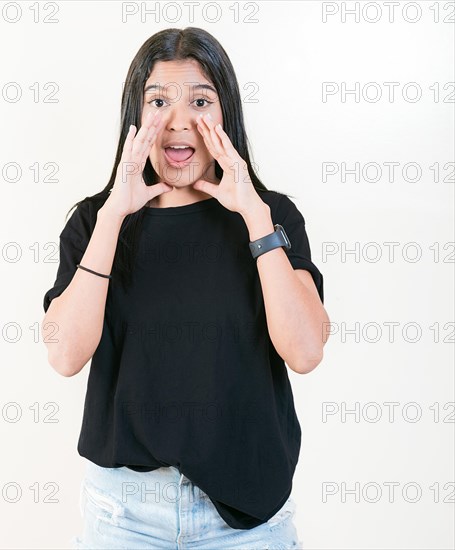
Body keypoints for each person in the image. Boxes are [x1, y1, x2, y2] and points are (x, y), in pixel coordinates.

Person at [42, 27, 330, 550]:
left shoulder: (270, 217)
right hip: (125, 514)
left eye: (201, 100)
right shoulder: (94, 222)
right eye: (159, 101)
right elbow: (64, 355)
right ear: (137, 114)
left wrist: (256, 218)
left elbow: (307, 350)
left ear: (226, 114)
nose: (179, 121)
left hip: (248, 518)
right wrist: (112, 217)